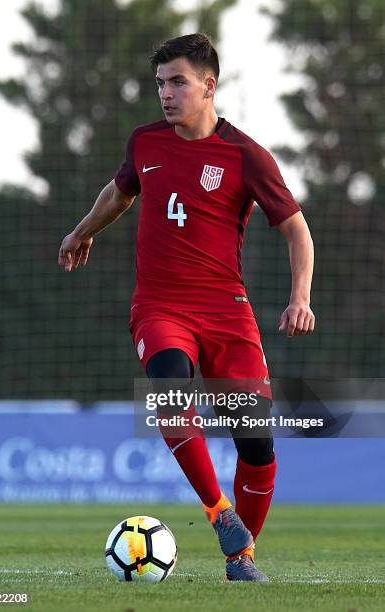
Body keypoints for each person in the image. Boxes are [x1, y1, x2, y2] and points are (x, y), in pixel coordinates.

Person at [58, 33, 315, 581]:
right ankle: (219, 513)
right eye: (160, 84)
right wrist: (82, 230)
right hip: (160, 306)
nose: (166, 94)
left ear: (208, 85)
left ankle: (241, 558)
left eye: (177, 82)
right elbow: (119, 193)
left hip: (228, 311)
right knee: (170, 387)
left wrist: (300, 297)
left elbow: (296, 229)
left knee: (257, 443)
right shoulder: (145, 143)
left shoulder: (245, 155)